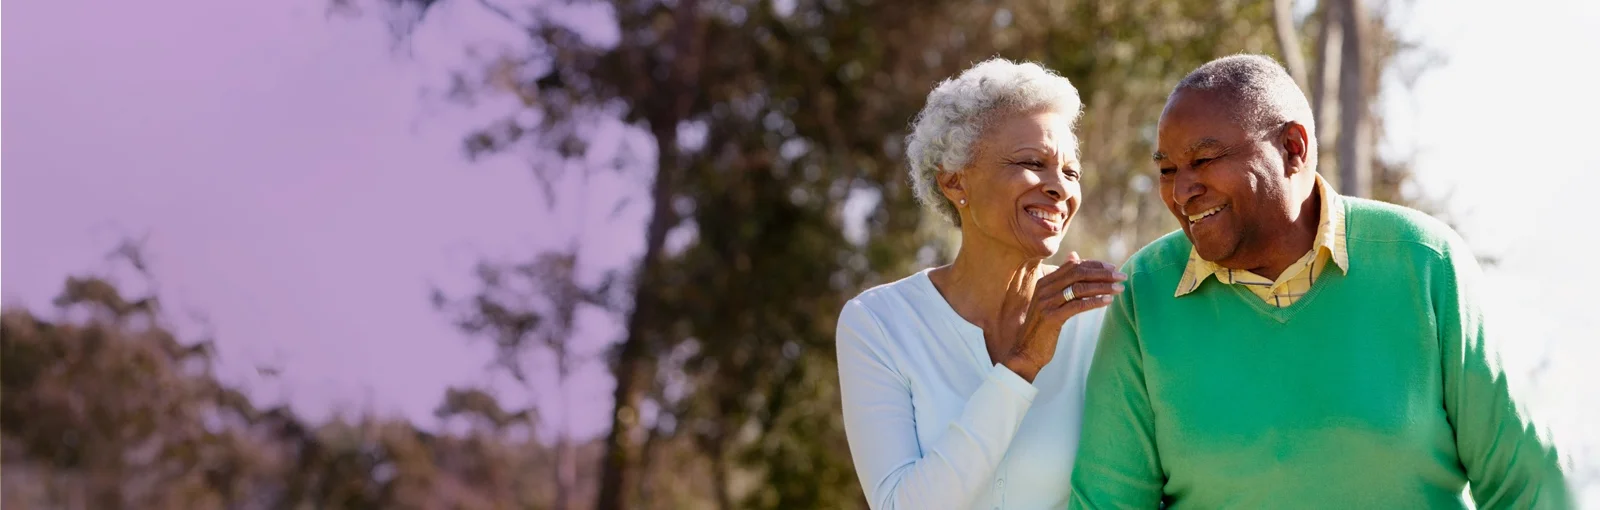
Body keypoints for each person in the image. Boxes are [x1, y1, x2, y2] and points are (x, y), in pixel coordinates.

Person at [1068, 54, 1571, 509]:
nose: (1182, 190)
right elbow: (1110, 503)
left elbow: (1531, 487)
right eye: (1168, 169)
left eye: (1203, 160)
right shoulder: (1144, 292)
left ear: (1293, 147)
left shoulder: (1423, 261)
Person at [836, 57, 1127, 509]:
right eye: (1033, 162)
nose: (1060, 188)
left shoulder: (1101, 319)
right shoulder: (877, 323)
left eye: (1071, 172)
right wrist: (1022, 363)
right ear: (955, 182)